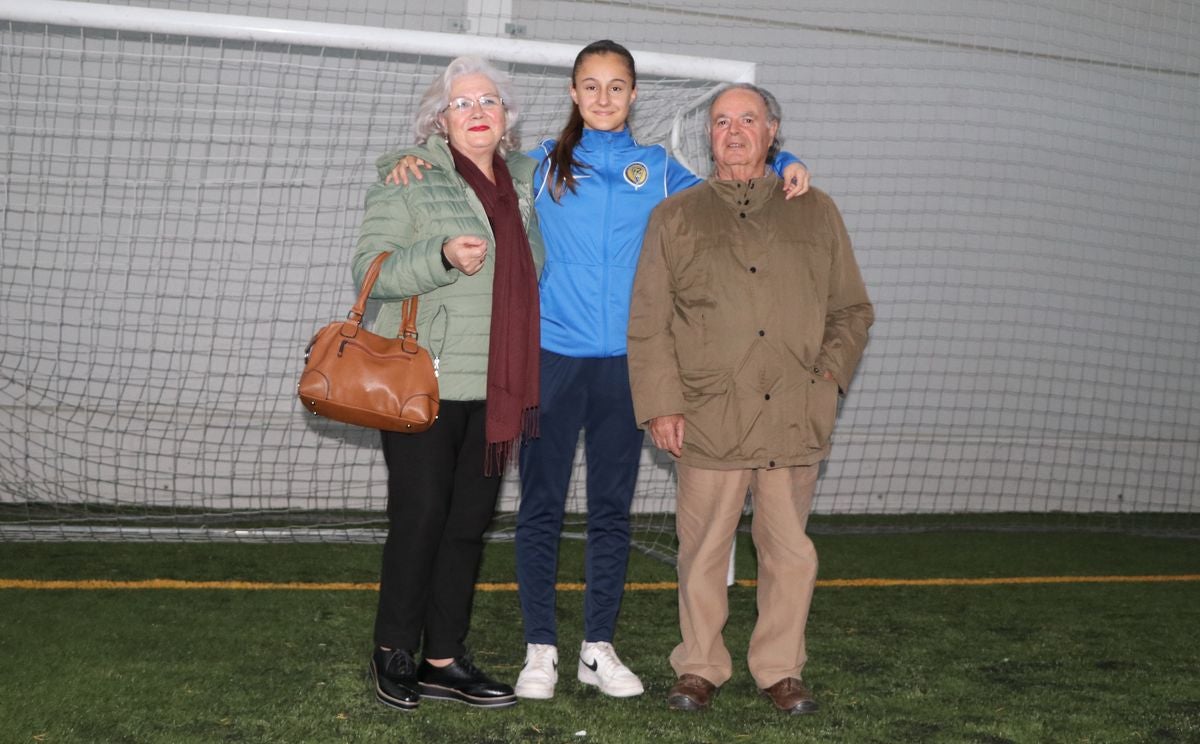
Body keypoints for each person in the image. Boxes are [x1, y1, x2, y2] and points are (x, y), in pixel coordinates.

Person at [387, 40, 809, 702]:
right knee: (540, 508)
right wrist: (417, 157)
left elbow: (735, 183)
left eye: (617, 86)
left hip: (629, 369)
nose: (604, 98)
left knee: (612, 512)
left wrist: (784, 161)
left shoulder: (660, 169)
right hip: (550, 362)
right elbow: (466, 161)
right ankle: (540, 650)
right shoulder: (538, 167)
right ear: (574, 95)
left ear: (634, 95)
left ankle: (596, 648)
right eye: (591, 86)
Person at [626, 83, 873, 714]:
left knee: (789, 550)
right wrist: (661, 403)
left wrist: (827, 382)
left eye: (747, 119)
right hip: (709, 415)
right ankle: (700, 667)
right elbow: (649, 322)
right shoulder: (674, 217)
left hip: (794, 414)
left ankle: (780, 670)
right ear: (709, 137)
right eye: (720, 122)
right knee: (702, 548)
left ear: (773, 133)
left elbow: (851, 310)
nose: (733, 131)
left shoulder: (817, 211)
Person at [352, 56, 544, 712]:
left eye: (489, 100)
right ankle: (394, 652)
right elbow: (370, 273)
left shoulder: (526, 180)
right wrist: (438, 258)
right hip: (423, 380)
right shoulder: (409, 178)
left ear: (507, 117)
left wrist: (782, 157)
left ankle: (443, 660)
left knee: (468, 524)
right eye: (462, 103)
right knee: (422, 517)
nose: (478, 110)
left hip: (497, 384)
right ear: (440, 118)